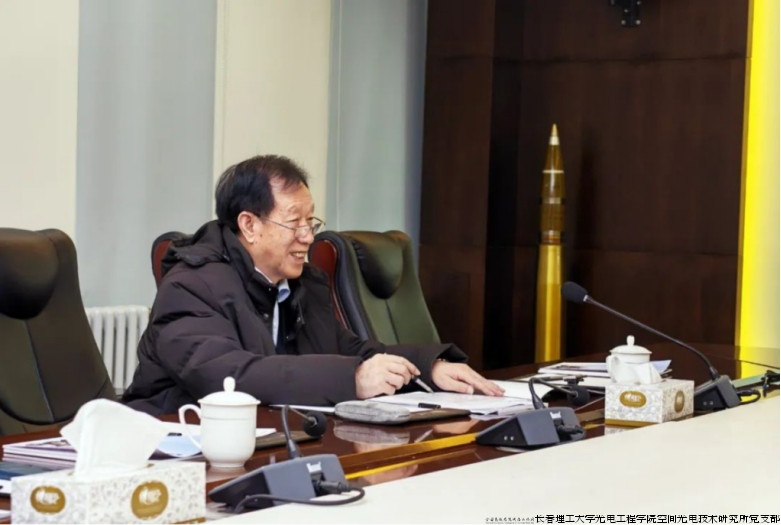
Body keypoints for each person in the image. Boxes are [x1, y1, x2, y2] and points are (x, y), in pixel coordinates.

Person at [123, 155, 503, 415]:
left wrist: (426, 369)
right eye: (294, 223)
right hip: (176, 447)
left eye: (311, 221)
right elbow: (231, 377)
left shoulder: (303, 283)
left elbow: (352, 349)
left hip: (271, 441)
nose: (308, 236)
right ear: (249, 225)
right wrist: (352, 379)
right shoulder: (190, 286)